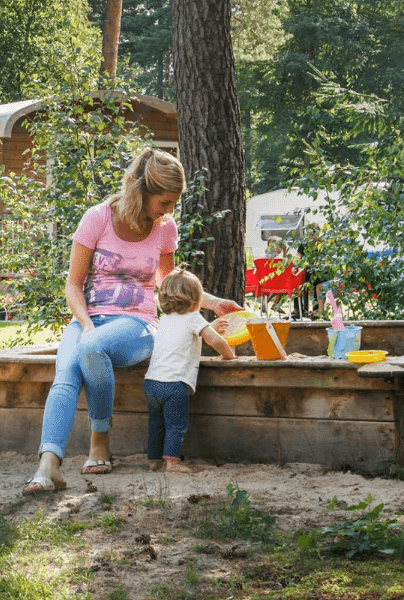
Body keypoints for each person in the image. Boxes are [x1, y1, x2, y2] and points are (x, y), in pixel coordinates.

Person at [22, 149, 243, 495]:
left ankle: (100, 441)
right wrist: (86, 324)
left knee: (91, 346)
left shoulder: (164, 227)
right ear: (142, 191)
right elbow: (73, 286)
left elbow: (168, 282)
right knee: (65, 374)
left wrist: (213, 303)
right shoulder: (97, 218)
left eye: (173, 203)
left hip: (137, 324)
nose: (169, 210)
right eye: (165, 202)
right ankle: (48, 466)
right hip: (89, 320)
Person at [143, 267, 237, 473]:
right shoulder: (194, 318)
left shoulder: (165, 320)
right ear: (196, 299)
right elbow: (215, 341)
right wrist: (229, 356)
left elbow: (185, 335)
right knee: (175, 425)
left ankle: (154, 461)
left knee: (156, 423)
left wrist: (210, 326)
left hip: (151, 383)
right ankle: (172, 462)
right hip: (174, 384)